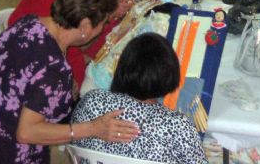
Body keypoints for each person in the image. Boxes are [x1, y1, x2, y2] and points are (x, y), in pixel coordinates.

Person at [0, 0, 139, 163]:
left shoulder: (30, 23)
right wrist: (93, 129)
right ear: (84, 26)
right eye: (103, 23)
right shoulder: (54, 69)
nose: (102, 28)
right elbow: (27, 132)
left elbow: (23, 77)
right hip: (3, 152)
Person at [72, 33, 207, 163]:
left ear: (122, 68)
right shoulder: (178, 126)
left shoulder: (91, 102)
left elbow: (75, 144)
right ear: (169, 75)